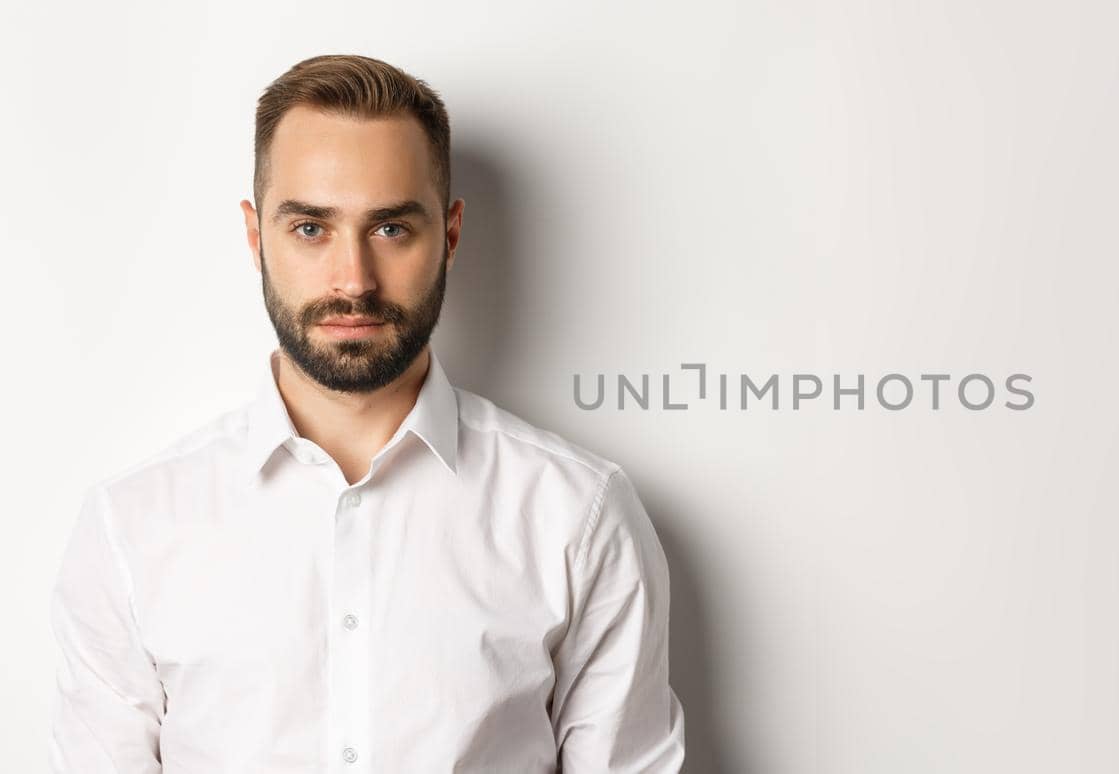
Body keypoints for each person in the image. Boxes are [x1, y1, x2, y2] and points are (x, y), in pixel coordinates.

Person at [47, 53, 686, 772]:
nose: (353, 280)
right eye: (311, 229)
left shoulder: (577, 515)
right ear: (257, 237)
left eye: (389, 229)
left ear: (448, 234)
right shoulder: (130, 528)